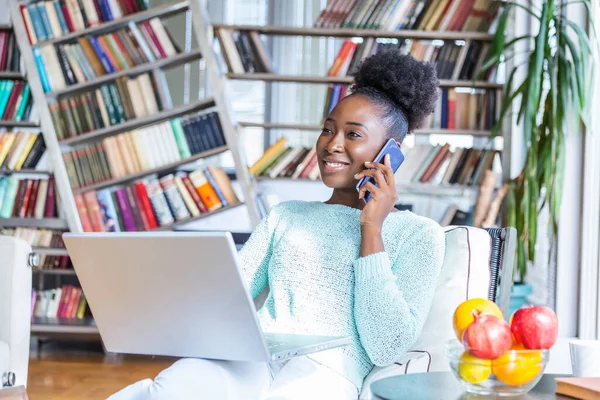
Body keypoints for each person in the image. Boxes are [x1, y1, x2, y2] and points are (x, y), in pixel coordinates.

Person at [108, 49, 446, 400]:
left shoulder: (419, 234)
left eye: (353, 135)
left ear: (390, 153)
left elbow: (386, 345)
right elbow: (229, 298)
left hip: (328, 372)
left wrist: (371, 228)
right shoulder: (286, 216)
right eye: (328, 130)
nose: (332, 145)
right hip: (256, 358)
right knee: (177, 384)